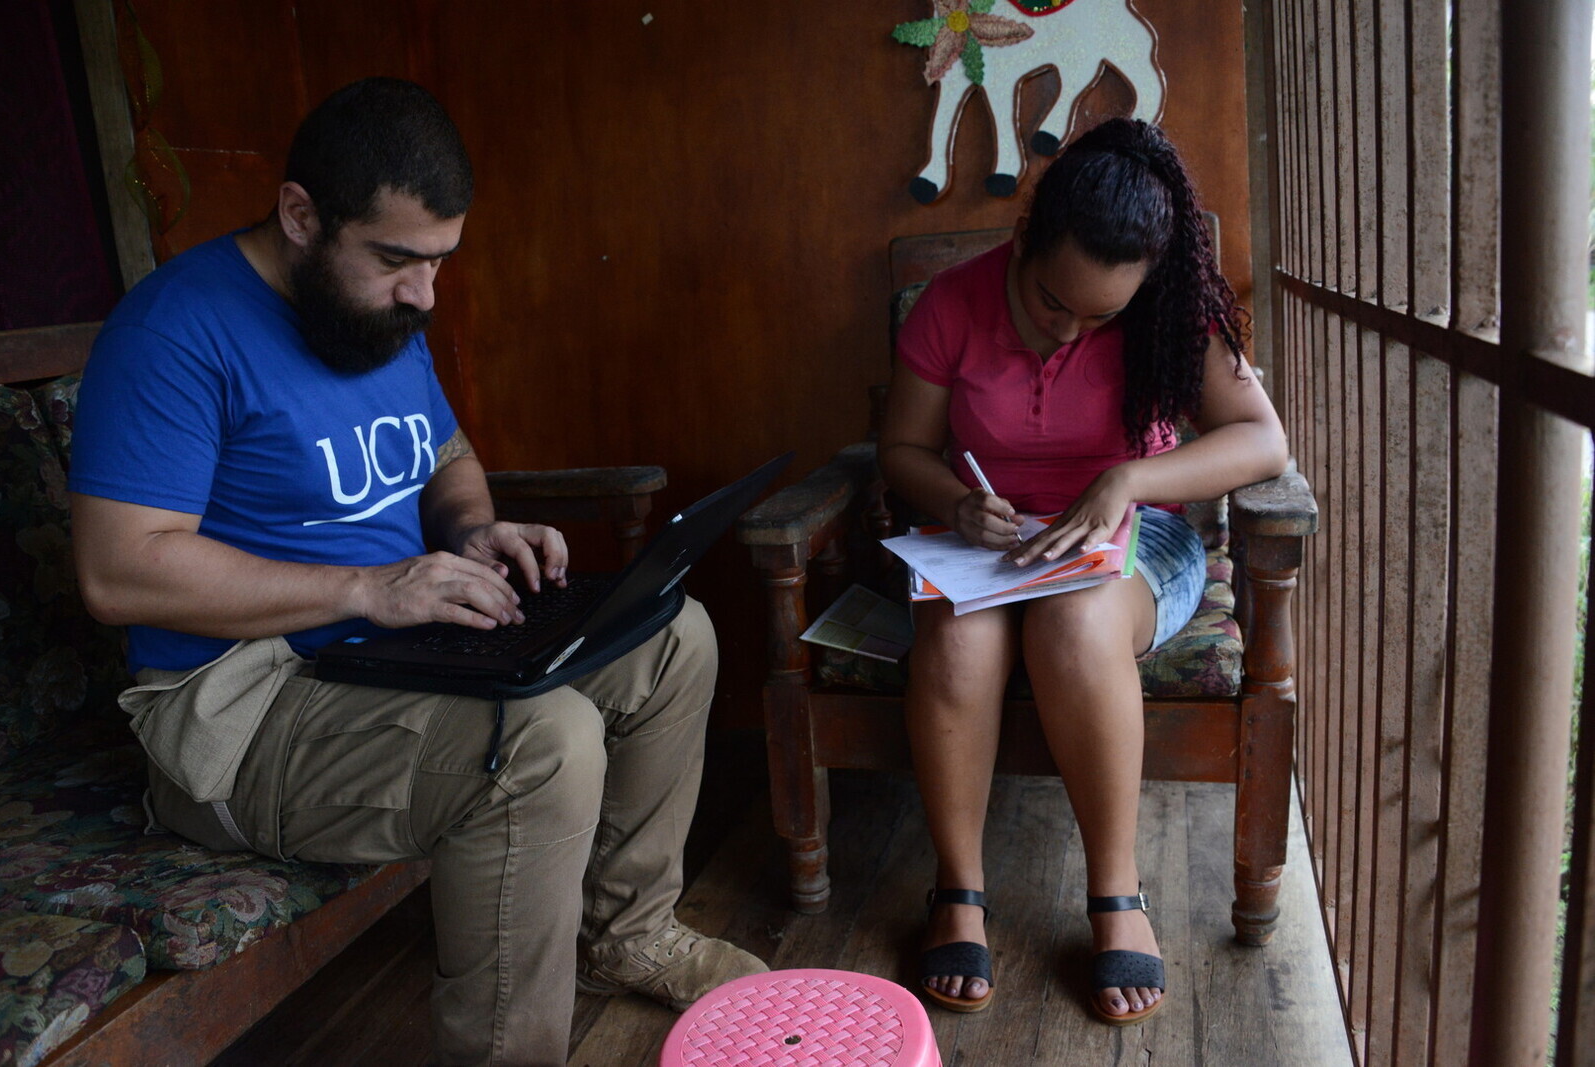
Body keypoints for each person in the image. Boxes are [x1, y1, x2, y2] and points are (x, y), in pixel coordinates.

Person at [67, 77, 766, 1066]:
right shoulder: (173, 332)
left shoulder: (374, 312)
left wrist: (471, 529)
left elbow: (444, 455)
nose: (424, 294)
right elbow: (118, 573)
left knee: (672, 634)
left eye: (439, 261)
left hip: (389, 653)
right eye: (398, 259)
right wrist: (369, 587)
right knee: (543, 742)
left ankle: (627, 932)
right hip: (237, 699)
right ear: (300, 214)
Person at [878, 117, 1288, 1024]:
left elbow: (1262, 441)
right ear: (1023, 240)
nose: (1069, 329)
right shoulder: (953, 304)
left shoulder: (1170, 311)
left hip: (1139, 542)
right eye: (1052, 301)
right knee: (953, 635)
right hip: (984, 544)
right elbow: (901, 448)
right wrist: (953, 502)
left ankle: (1115, 894)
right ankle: (958, 887)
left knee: (1075, 618)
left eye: (1100, 315)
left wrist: (1127, 477)